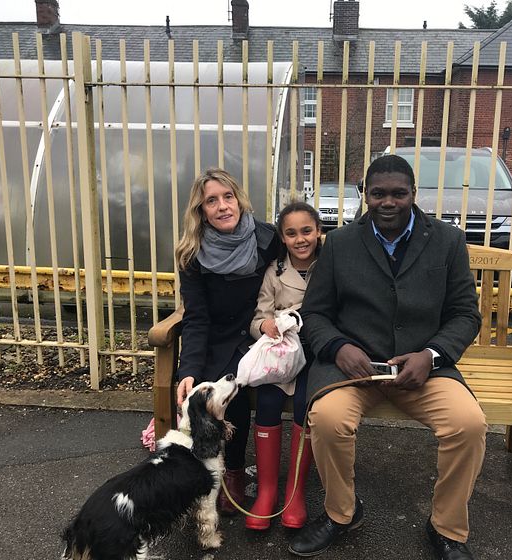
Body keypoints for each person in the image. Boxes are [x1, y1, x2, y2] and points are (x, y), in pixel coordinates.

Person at [289, 155, 487, 559]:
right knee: (327, 419)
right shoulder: (341, 243)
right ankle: (341, 513)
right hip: (353, 369)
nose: (388, 202)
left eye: (399, 193)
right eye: (378, 193)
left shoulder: (447, 241)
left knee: (468, 424)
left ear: (413, 195)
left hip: (424, 370)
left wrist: (431, 355)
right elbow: (315, 314)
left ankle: (447, 529)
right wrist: (339, 348)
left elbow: (466, 314)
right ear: (365, 195)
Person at [174, 168, 279, 516]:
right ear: (201, 211)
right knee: (203, 385)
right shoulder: (192, 252)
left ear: (239, 199)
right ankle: (197, 467)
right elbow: (196, 317)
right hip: (215, 337)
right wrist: (187, 368)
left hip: (256, 334)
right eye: (211, 201)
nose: (222, 206)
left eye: (227, 197)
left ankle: (233, 469)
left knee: (233, 385)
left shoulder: (267, 239)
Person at [245, 201, 322, 531]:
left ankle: (295, 493)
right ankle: (266, 491)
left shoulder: (330, 265)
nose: (300, 239)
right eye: (291, 234)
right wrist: (264, 327)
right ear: (282, 237)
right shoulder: (274, 272)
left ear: (319, 232)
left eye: (307, 231)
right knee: (267, 400)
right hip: (282, 353)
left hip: (315, 352)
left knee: (307, 402)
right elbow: (258, 316)